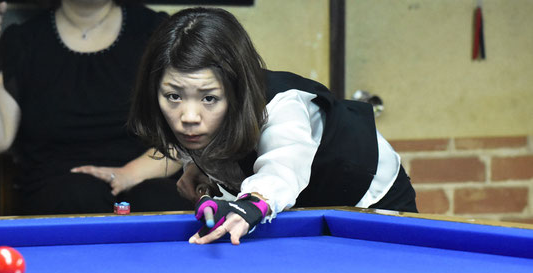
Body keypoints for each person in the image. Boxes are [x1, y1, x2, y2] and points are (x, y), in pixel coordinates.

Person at [129, 7, 418, 245]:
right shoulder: (195, 120)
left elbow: (281, 170)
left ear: (236, 90)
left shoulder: (282, 105)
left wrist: (252, 204)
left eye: (209, 98)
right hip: (303, 204)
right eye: (174, 96)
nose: (189, 117)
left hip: (369, 195)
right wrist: (200, 166)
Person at [0, 0, 190, 215]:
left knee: (159, 199)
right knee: (79, 196)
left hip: (146, 175)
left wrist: (129, 174)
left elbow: (186, 132)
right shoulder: (24, 41)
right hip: (59, 191)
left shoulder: (156, 31)